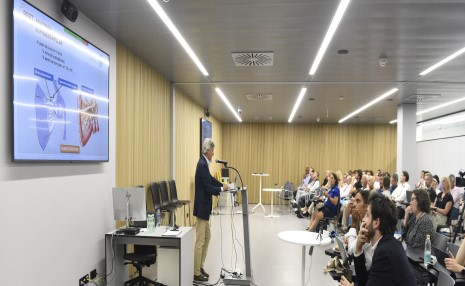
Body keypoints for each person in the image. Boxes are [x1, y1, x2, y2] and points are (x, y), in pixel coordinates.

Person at [340, 194, 417, 286]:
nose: (363, 219)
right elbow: (365, 282)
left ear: (376, 222)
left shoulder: (385, 252)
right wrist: (358, 249)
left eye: (367, 215)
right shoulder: (390, 244)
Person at [193, 138, 228, 282]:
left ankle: (200, 266)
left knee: (207, 237)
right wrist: (221, 189)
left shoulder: (204, 164)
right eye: (212, 151)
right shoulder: (202, 164)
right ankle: (196, 273)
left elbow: (210, 180)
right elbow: (208, 187)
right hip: (202, 209)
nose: (213, 154)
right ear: (208, 150)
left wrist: (223, 185)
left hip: (205, 209)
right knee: (200, 241)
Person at [402, 189, 435, 286]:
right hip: (410, 261)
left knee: (394, 269)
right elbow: (403, 238)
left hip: (420, 269)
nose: (410, 203)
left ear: (420, 201)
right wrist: (406, 217)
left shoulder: (426, 222)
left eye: (412, 200)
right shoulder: (414, 218)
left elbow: (414, 249)